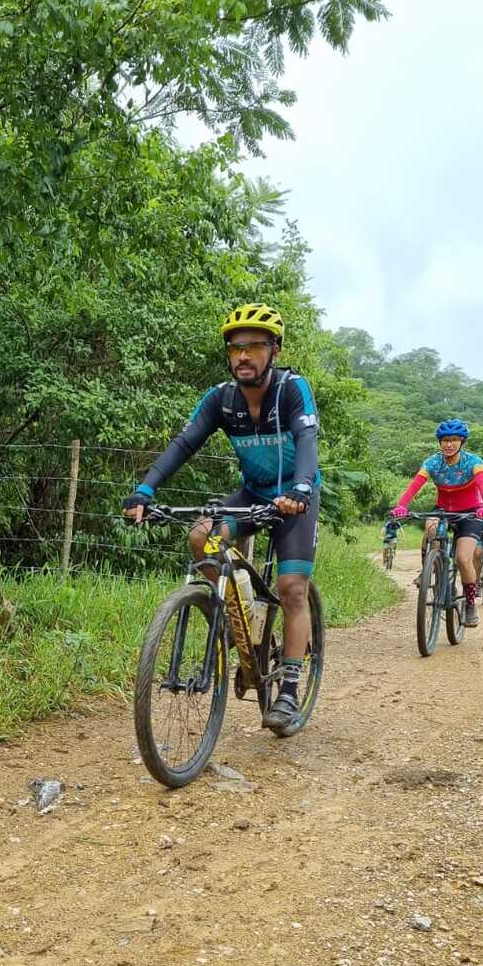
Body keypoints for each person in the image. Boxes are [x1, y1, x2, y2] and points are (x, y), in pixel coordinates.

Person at [122, 303, 319, 733]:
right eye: (236, 348)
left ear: (275, 351)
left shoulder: (291, 389)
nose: (243, 356)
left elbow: (306, 438)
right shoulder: (222, 399)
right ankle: (235, 618)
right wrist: (145, 489)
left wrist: (301, 488)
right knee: (201, 538)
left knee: (291, 588)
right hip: (252, 493)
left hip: (294, 499)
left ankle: (288, 688)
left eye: (254, 346)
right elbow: (184, 443)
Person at [390, 419, 483, 627]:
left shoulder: (474, 462)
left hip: (471, 513)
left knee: (464, 559)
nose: (449, 444)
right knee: (430, 528)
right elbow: (414, 486)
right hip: (443, 509)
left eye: (454, 440)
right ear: (439, 442)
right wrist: (401, 505)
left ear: (462, 442)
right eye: (445, 440)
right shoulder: (433, 463)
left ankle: (470, 604)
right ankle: (428, 568)